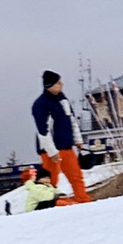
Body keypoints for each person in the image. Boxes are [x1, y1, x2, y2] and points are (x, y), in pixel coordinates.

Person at [32, 72, 91, 205]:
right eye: (58, 82)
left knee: (75, 175)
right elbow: (43, 130)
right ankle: (49, 202)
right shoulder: (41, 104)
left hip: (66, 145)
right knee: (51, 178)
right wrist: (52, 152)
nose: (61, 85)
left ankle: (83, 199)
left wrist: (78, 140)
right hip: (50, 149)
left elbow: (72, 121)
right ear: (50, 85)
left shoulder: (63, 100)